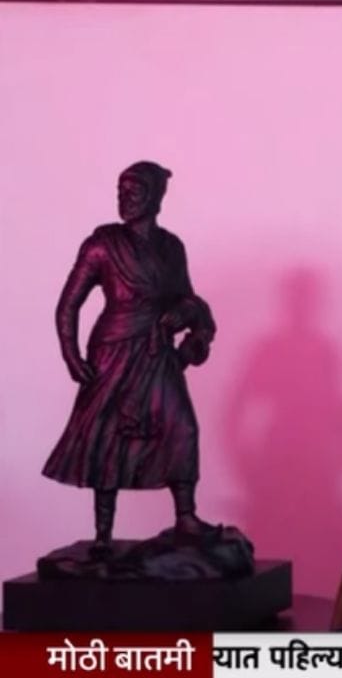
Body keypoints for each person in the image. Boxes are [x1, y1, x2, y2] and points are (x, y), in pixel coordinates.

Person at [45, 160, 217, 556]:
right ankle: (103, 534)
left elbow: (187, 298)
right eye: (120, 191)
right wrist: (71, 354)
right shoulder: (102, 244)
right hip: (114, 350)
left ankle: (186, 516)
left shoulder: (171, 247)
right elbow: (68, 305)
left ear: (156, 197)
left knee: (182, 426)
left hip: (157, 353)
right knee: (106, 436)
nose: (125, 198)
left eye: (135, 191)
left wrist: (187, 313)